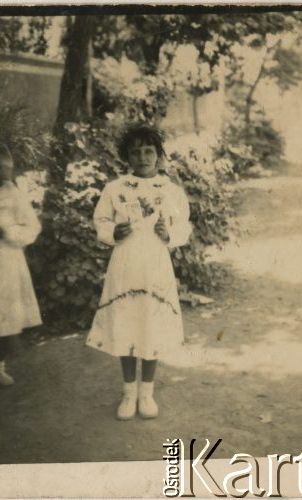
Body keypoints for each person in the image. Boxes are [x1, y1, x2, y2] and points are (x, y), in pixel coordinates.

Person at [86, 124, 191, 420]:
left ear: (159, 156)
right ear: (127, 157)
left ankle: (147, 393)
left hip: (156, 264)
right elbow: (101, 221)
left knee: (151, 323)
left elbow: (183, 226)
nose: (143, 157)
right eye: (136, 151)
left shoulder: (170, 191)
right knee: (127, 323)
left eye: (149, 151)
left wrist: (168, 231)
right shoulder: (115, 189)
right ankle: (128, 392)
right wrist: (113, 232)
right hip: (126, 263)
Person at [0, 142, 42, 386]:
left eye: (8, 168)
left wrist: (6, 232)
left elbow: (32, 227)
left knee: (3, 313)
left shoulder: (12, 193)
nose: (5, 173)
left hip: (5, 261)